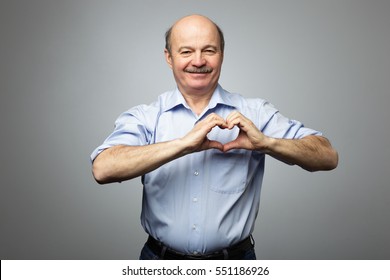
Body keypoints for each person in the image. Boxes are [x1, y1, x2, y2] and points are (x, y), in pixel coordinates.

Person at [90, 14, 338, 260]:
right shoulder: (146, 117)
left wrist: (266, 143)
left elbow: (328, 156)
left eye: (209, 50)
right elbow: (103, 169)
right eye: (186, 51)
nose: (198, 61)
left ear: (221, 54)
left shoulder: (255, 113)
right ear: (169, 57)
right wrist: (182, 145)